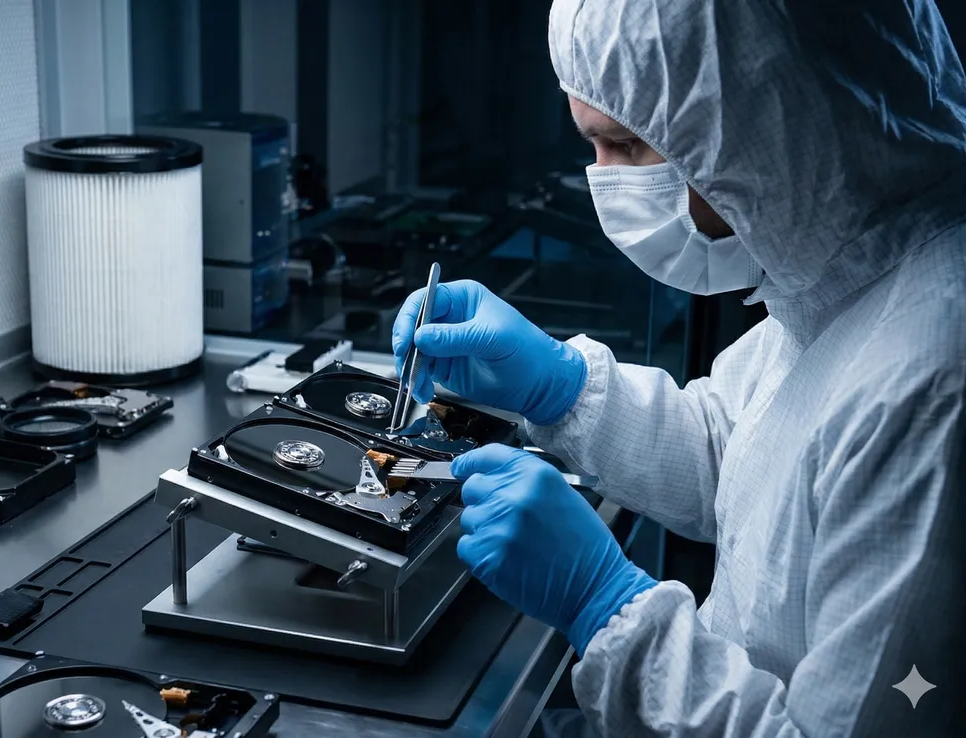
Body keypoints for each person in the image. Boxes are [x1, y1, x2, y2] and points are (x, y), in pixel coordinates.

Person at [392, 0, 966, 734]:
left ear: (771, 124)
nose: (606, 183)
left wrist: (607, 605)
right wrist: (561, 387)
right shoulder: (847, 277)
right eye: (593, 145)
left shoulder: (932, 375)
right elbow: (742, 452)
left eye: (629, 144)